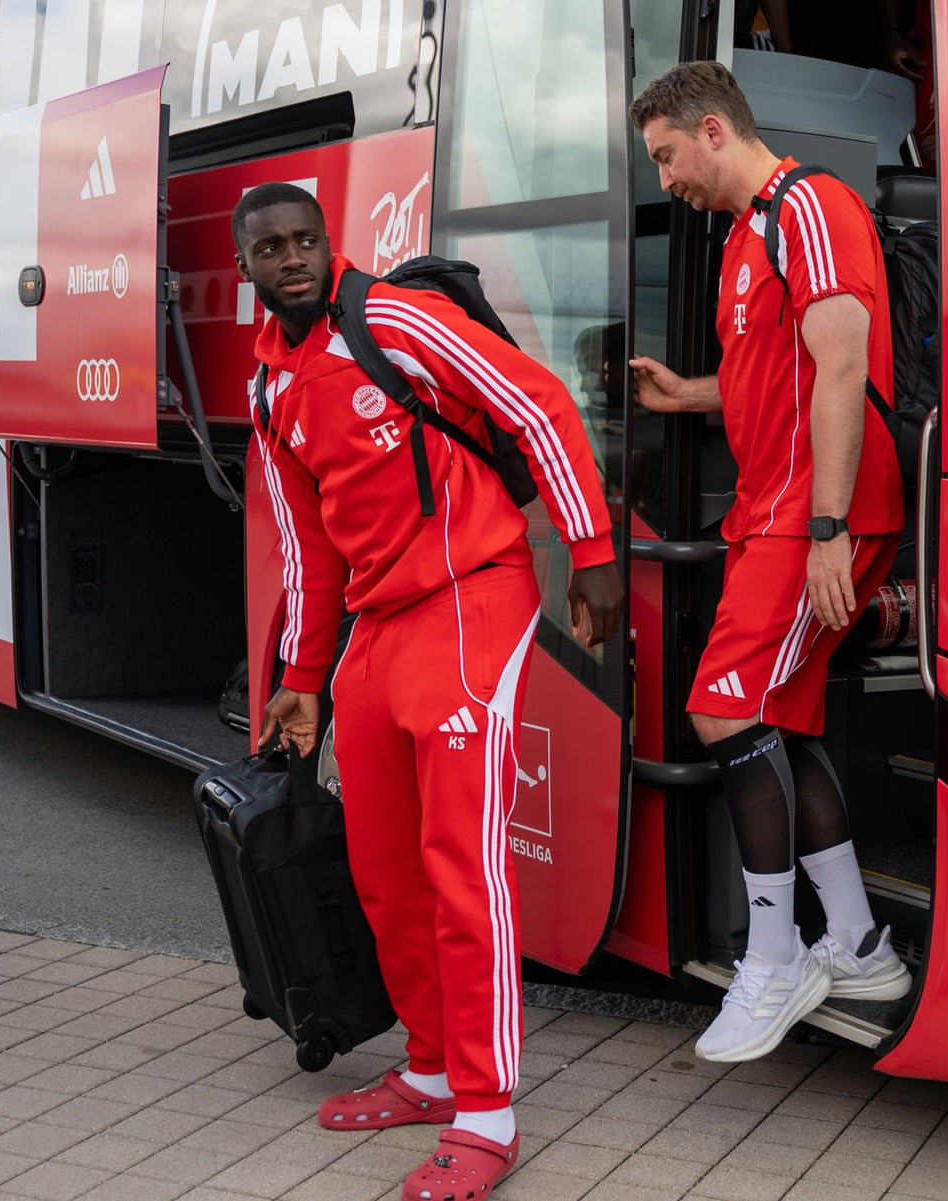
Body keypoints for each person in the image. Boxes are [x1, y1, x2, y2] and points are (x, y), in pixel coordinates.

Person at [235, 183, 623, 1198]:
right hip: (377, 630)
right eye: (271, 248)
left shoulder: (394, 318)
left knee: (462, 863)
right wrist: (302, 679)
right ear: (246, 267)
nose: (292, 258)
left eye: (306, 239)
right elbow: (308, 548)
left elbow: (537, 402)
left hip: (470, 599)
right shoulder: (268, 387)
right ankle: (433, 1067)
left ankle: (487, 1112)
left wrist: (592, 551)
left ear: (329, 242)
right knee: (383, 867)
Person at [628, 62, 912, 1062]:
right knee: (776, 721)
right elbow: (774, 375)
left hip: (811, 517)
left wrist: (829, 528)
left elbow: (843, 360)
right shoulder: (749, 234)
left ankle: (778, 955)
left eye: (667, 156)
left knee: (723, 710)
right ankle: (859, 944)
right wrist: (688, 395)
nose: (666, 180)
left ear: (713, 130)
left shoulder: (809, 206)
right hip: (776, 513)